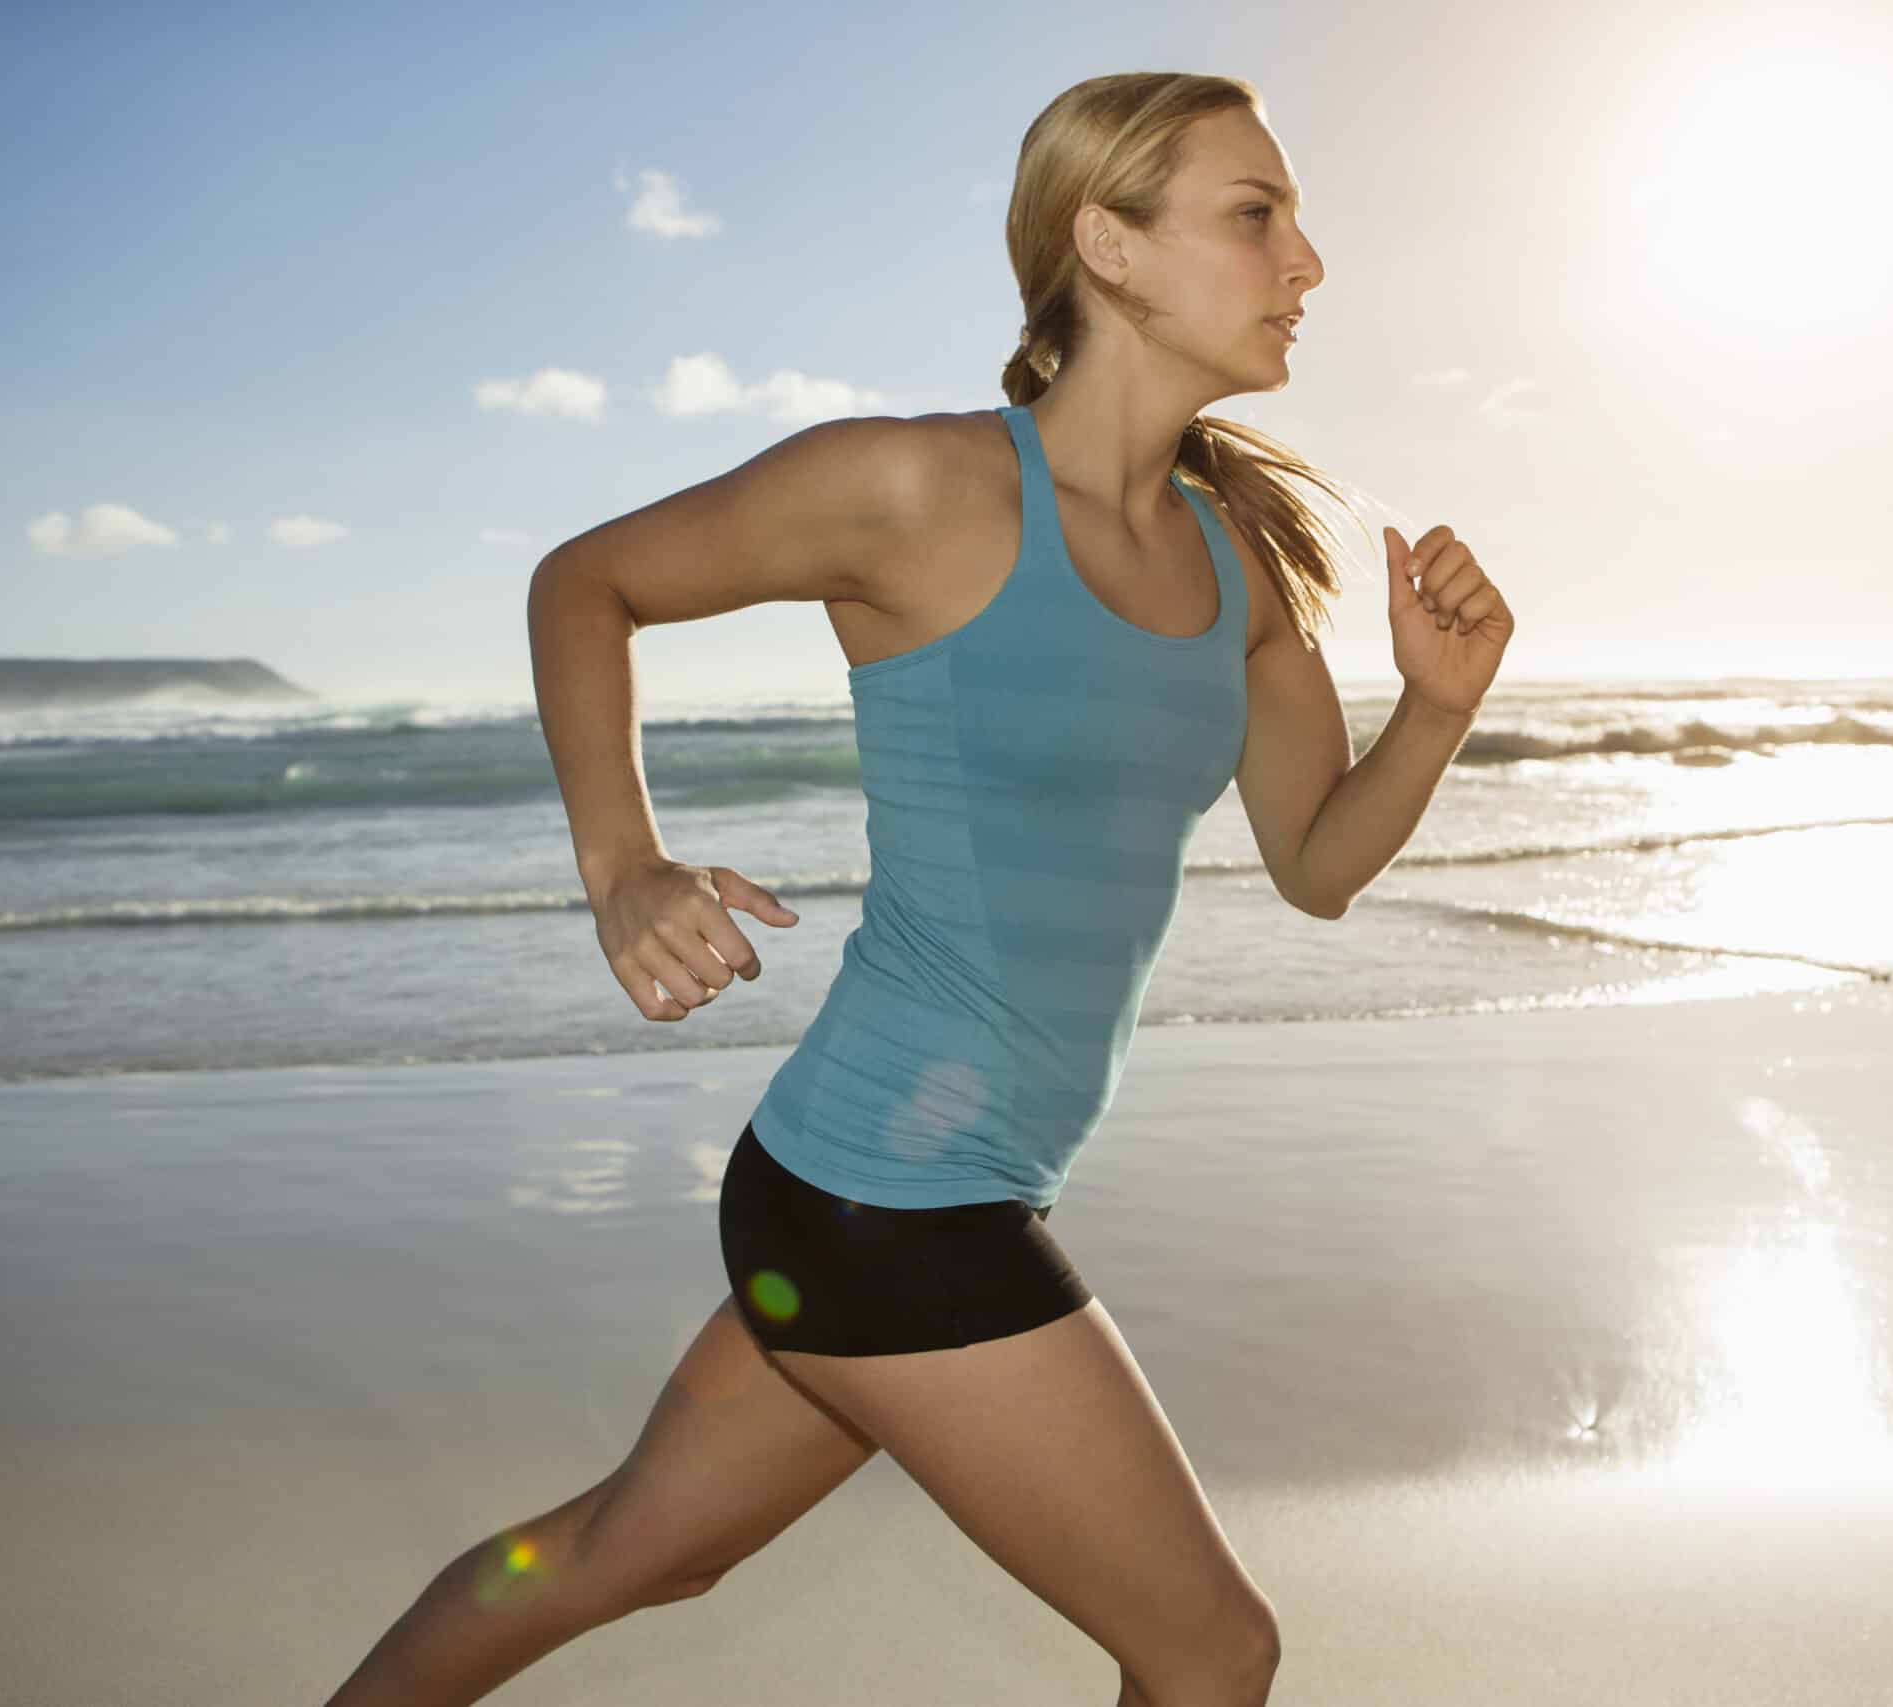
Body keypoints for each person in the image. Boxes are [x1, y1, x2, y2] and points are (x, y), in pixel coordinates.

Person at [325, 70, 1510, 1707]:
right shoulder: (917, 489)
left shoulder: (1239, 564)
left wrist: (1438, 711)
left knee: (636, 1553)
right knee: (1213, 1652)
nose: (1306, 262)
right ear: (1109, 245)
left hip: (882, 1191)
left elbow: (1314, 863)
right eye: (1258, 216)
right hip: (891, 1196)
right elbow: (584, 581)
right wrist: (624, 863)